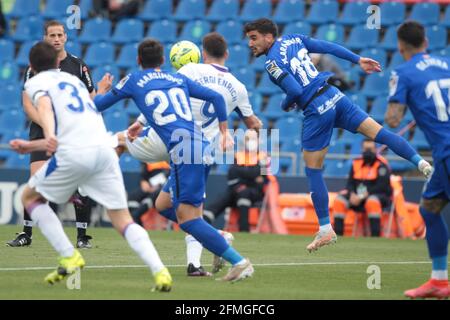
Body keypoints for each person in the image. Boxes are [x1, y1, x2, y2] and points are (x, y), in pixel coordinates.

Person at [243, 18, 433, 253]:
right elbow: (326, 47)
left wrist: (285, 104)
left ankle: (325, 229)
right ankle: (423, 164)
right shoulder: (293, 38)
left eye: (253, 38)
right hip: (335, 96)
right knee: (381, 133)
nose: (250, 44)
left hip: (316, 108)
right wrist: (357, 59)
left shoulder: (271, 63)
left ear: (268, 37)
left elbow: (294, 90)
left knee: (313, 170)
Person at [11, 41, 172, 291]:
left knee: (30, 197)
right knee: (122, 219)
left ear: (31, 66)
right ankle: (160, 272)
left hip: (76, 152)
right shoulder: (74, 81)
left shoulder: (35, 82)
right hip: (105, 149)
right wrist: (34, 145)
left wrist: (47, 137)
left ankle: (69, 255)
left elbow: (44, 108)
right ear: (57, 63)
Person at [94, 38, 254, 282]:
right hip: (200, 146)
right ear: (162, 61)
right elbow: (218, 99)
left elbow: (96, 106)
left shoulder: (134, 80)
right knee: (166, 205)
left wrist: (102, 90)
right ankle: (218, 241)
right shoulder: (177, 78)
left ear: (138, 60)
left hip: (182, 150)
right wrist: (223, 131)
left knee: (188, 220)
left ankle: (239, 261)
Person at [7, 21, 97, 249]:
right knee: (36, 182)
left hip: (71, 130)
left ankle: (82, 236)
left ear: (66, 37)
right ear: (46, 38)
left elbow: (91, 96)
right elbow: (27, 104)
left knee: (79, 184)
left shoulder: (78, 65)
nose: (56, 39)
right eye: (52, 35)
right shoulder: (34, 67)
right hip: (41, 129)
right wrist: (48, 125)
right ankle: (26, 233)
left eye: (60, 35)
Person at [384, 21, 450, 299]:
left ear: (401, 46)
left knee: (431, 209)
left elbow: (392, 119)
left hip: (447, 151)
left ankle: (440, 281)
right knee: (430, 208)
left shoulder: (403, 72)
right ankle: (439, 281)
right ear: (425, 40)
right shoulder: (447, 63)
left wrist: (406, 102)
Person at [204, 130, 268, 232]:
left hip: (255, 192)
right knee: (225, 196)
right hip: (236, 189)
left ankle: (244, 230)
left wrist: (244, 174)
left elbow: (263, 176)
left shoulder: (264, 157)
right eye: (248, 139)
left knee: (243, 194)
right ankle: (205, 221)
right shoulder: (238, 155)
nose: (250, 141)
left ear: (259, 141)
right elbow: (232, 173)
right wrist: (252, 175)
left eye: (253, 139)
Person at [333, 139, 392, 237]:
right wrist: (352, 194)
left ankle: (375, 237)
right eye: (366, 149)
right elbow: (350, 183)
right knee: (339, 200)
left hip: (378, 197)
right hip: (356, 197)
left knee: (372, 201)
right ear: (362, 149)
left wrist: (362, 196)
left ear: (376, 149)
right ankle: (338, 236)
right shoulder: (356, 163)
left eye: (371, 149)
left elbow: (382, 186)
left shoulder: (382, 165)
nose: (368, 152)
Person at [128, 161, 170, 226]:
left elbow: (171, 176)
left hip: (164, 188)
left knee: (154, 195)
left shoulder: (170, 158)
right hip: (150, 186)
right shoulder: (147, 159)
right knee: (132, 197)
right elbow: (143, 176)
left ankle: (136, 214)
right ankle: (137, 223)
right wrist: (143, 181)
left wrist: (159, 186)